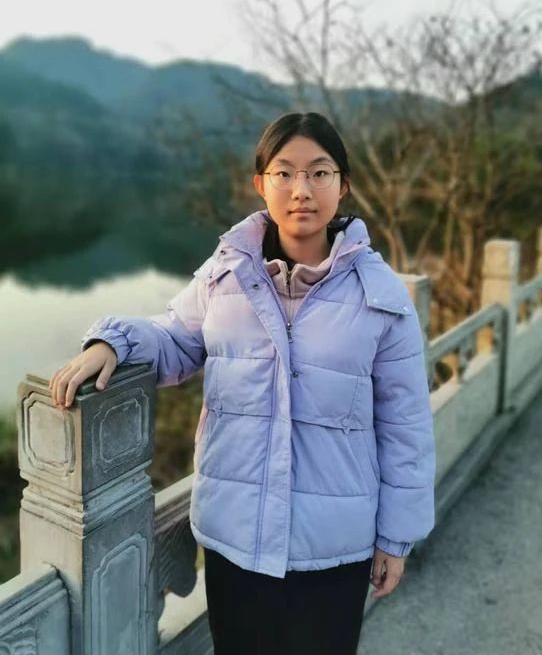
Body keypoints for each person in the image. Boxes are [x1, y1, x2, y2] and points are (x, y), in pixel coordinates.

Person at [50, 111, 436, 654]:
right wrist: (113, 342)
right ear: (261, 183)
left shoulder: (381, 295)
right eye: (284, 173)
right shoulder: (226, 272)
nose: (301, 189)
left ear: (343, 185)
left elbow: (405, 424)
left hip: (334, 546)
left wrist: (396, 536)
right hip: (237, 538)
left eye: (319, 172)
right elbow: (175, 338)